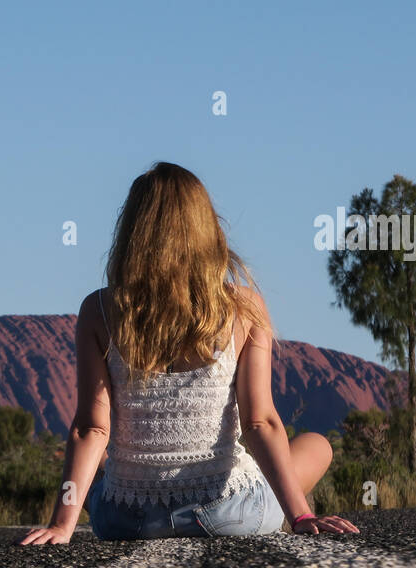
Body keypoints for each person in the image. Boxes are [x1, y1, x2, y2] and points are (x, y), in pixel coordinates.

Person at [21, 162, 359, 545]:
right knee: (317, 445)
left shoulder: (99, 310)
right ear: (206, 229)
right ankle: (282, 504)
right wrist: (300, 515)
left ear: (132, 230)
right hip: (228, 513)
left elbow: (91, 429)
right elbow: (260, 422)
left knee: (103, 463)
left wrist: (62, 526)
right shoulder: (242, 307)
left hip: (126, 521)